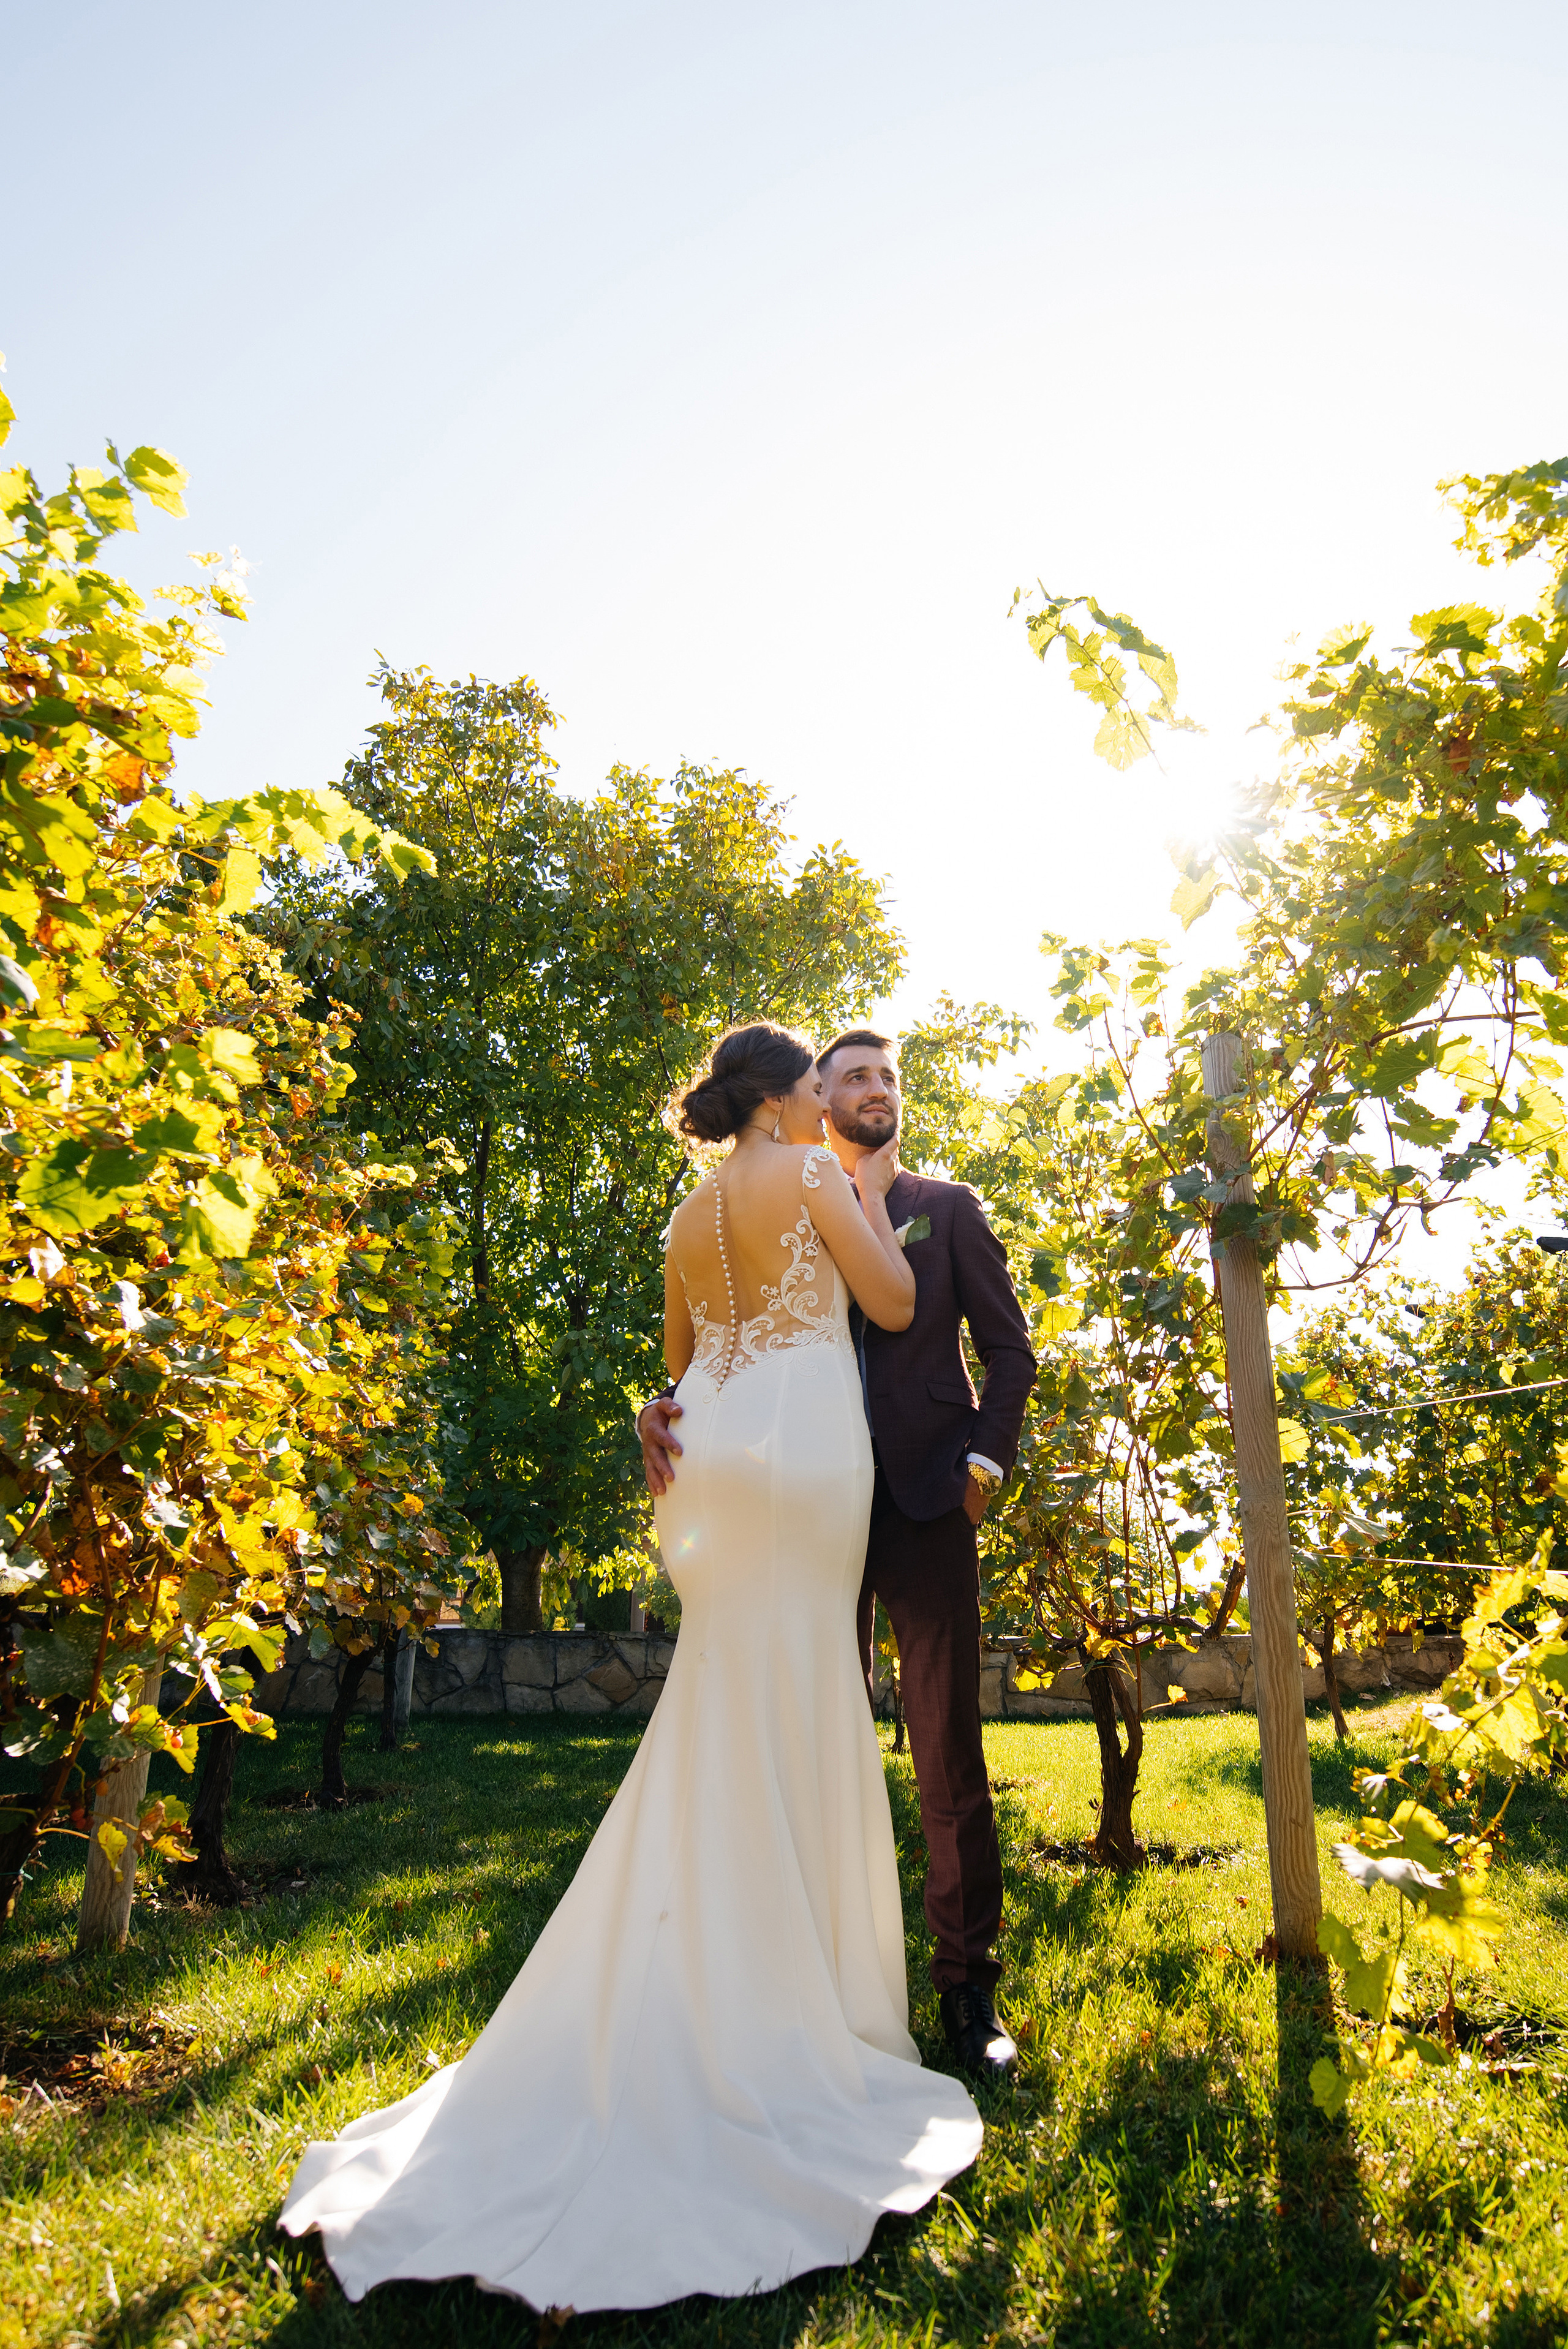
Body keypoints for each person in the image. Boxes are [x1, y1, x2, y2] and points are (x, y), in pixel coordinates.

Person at [279, 1022, 982, 2313]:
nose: (839, 1103)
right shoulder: (817, 1172)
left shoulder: (683, 1210)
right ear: (786, 1096)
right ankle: (793, 2009)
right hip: (805, 1455)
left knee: (724, 1701)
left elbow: (672, 1364)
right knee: (803, 1703)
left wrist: (664, 1412)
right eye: (820, 1088)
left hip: (708, 1450)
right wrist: (867, 1206)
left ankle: (711, 1958)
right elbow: (887, 1300)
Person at [639, 1028, 1036, 2080]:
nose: (865, 1089)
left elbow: (1010, 1351)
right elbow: (713, 1349)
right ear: (812, 1098)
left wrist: (983, 1469)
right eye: (846, 1074)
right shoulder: (803, 1181)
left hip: (915, 1501)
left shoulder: (945, 1211)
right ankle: (801, 1984)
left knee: (945, 1750)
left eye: (882, 1077)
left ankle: (966, 1994)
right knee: (801, 1726)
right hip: (800, 1498)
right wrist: (657, 1405)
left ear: (898, 1102)